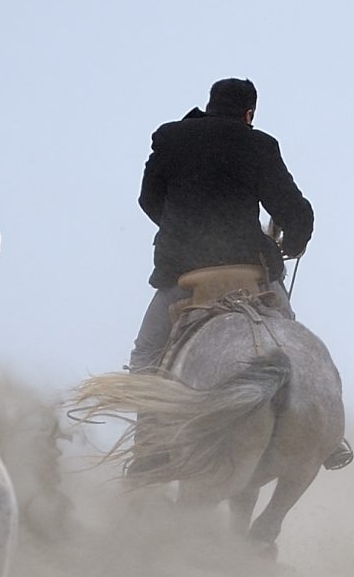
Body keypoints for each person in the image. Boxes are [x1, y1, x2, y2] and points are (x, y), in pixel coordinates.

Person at [130, 77, 314, 371]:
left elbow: (148, 198)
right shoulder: (259, 145)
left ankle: (148, 418)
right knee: (295, 344)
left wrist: (181, 229)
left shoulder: (170, 137)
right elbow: (296, 212)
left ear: (210, 104)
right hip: (249, 268)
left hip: (183, 270)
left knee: (146, 354)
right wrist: (292, 245)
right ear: (248, 114)